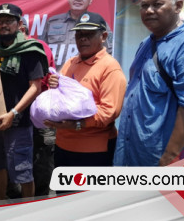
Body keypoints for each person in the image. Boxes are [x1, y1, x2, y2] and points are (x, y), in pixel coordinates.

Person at [114, 0, 184, 166]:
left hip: (161, 162)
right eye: (144, 5)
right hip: (131, 153)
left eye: (157, 4)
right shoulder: (146, 43)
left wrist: (169, 159)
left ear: (178, 6)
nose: (149, 10)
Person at [44, 12, 126, 170]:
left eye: (89, 34)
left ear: (103, 36)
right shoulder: (71, 62)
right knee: (65, 195)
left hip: (93, 151)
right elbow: (60, 97)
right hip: (63, 145)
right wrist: (53, 85)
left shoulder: (110, 68)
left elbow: (109, 112)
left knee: (88, 195)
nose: (82, 39)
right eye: (79, 34)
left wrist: (77, 125)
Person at [0, 3, 48, 200]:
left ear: (19, 24)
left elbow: (35, 87)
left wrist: (13, 113)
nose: (3, 25)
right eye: (0, 21)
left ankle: (26, 209)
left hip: (19, 121)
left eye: (8, 21)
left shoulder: (31, 51)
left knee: (22, 168)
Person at [39, 0, 113, 71]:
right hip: (54, 80)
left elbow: (107, 54)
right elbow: (41, 52)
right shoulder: (52, 22)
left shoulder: (99, 24)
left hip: (83, 80)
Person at [20, 17, 56, 197]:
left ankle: (41, 199)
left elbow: (39, 81)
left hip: (40, 112)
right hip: (20, 114)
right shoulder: (5, 50)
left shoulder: (38, 46)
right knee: (23, 156)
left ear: (22, 28)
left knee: (42, 156)